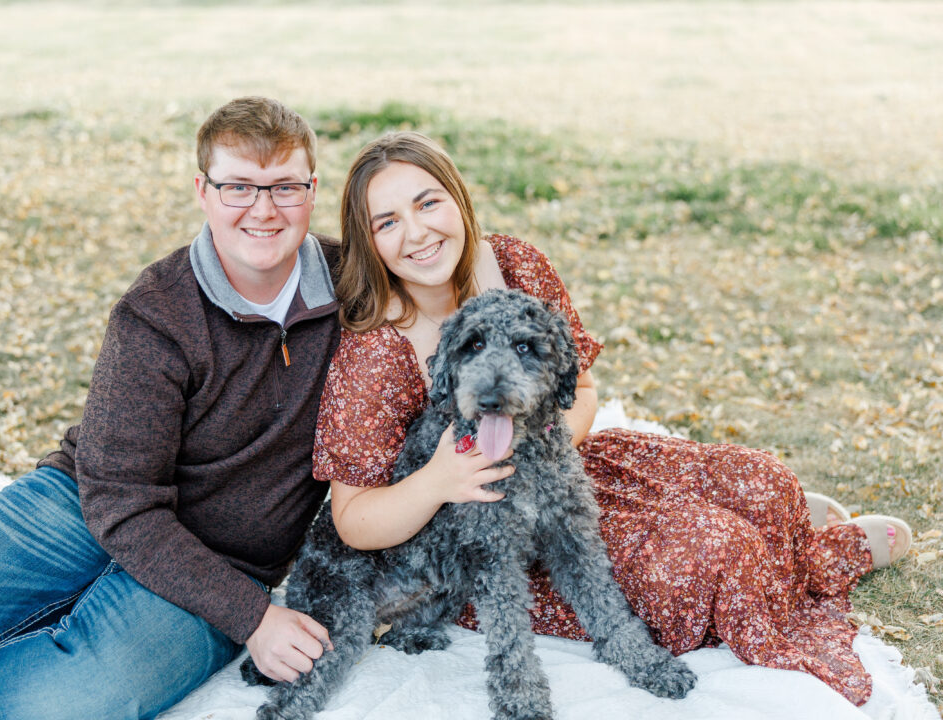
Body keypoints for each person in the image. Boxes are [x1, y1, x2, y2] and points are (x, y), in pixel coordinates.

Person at [312, 130, 913, 706]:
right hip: (481, 536)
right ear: (369, 242)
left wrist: (539, 447)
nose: (416, 232)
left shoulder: (516, 264)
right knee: (715, 558)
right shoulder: (376, 349)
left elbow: (583, 391)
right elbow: (354, 520)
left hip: (563, 465)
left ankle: (777, 514)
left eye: (427, 203)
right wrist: (440, 478)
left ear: (458, 199)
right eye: (387, 222)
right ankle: (823, 550)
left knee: (765, 479)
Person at [0, 97, 340, 719]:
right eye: (238, 187)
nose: (264, 209)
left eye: (284, 187)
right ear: (202, 189)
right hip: (84, 505)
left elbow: (454, 257)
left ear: (311, 189)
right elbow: (119, 498)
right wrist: (258, 620)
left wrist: (249, 613)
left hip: (225, 564)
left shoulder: (355, 284)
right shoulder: (157, 311)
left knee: (57, 709)